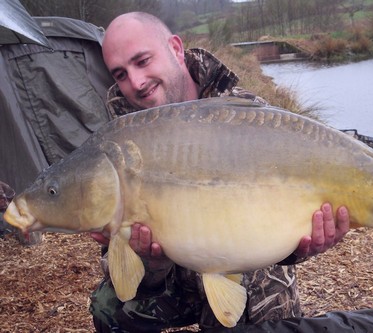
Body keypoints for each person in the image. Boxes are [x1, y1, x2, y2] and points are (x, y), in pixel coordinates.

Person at [89, 12, 350, 332]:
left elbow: (283, 218)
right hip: (173, 279)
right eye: (121, 74)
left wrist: (303, 246)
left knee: (257, 288)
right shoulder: (120, 138)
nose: (137, 82)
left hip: (248, 268)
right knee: (108, 308)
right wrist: (152, 263)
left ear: (175, 48)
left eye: (142, 61)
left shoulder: (245, 113)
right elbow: (115, 259)